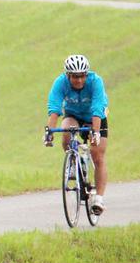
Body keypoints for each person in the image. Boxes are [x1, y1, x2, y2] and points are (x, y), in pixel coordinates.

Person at [43, 54, 109, 214]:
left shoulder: (95, 82)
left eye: (82, 76)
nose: (79, 80)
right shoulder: (60, 83)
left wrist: (95, 132)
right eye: (74, 77)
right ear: (68, 75)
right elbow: (54, 107)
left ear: (86, 74)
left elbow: (98, 107)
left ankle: (99, 198)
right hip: (73, 115)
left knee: (97, 154)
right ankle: (73, 160)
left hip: (96, 117)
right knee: (66, 131)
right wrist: (49, 132)